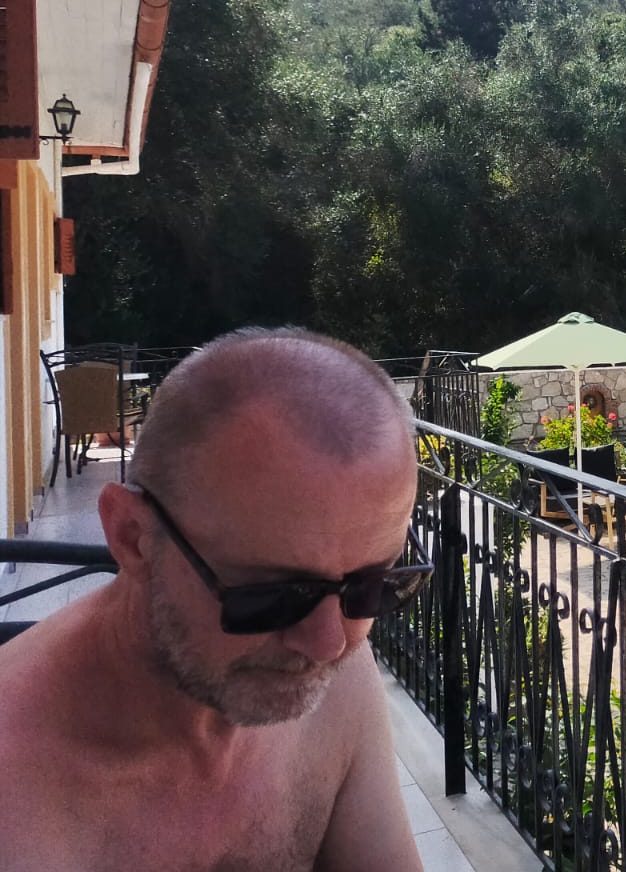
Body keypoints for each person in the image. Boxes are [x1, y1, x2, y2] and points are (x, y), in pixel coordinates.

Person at [0, 328, 431, 871]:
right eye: (274, 595)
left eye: (371, 587)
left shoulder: (339, 673)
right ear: (133, 538)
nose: (328, 644)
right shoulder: (15, 796)